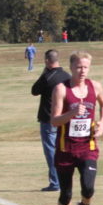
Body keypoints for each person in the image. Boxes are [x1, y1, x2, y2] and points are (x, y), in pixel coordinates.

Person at [50, 51, 103, 205]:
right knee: (65, 194)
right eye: (78, 67)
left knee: (89, 187)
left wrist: (102, 123)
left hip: (88, 146)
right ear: (71, 67)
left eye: (85, 67)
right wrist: (72, 112)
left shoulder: (95, 86)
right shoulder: (61, 89)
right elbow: (54, 120)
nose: (82, 71)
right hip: (65, 149)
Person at [31, 49, 71, 191]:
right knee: (63, 149)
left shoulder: (47, 76)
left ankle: (55, 182)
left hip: (48, 118)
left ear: (47, 61)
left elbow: (34, 90)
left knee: (50, 151)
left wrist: (44, 74)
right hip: (65, 118)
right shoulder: (67, 76)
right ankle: (65, 180)